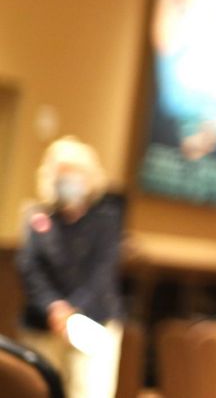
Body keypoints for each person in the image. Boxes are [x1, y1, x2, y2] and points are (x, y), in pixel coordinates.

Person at [16, 136, 124, 398]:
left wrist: (73, 311)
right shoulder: (38, 218)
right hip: (44, 324)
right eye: (61, 175)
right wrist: (54, 308)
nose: (68, 182)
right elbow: (29, 267)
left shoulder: (106, 220)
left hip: (93, 321)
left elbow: (102, 272)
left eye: (74, 174)